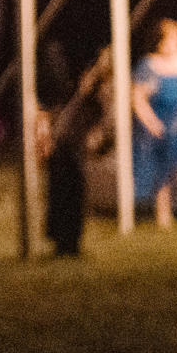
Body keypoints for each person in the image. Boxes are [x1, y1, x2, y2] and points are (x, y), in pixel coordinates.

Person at [37, 42, 106, 257]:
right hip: (64, 143)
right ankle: (62, 241)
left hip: (72, 143)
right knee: (62, 191)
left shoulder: (84, 93)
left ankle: (70, 242)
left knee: (71, 191)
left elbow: (95, 112)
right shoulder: (58, 93)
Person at [132, 19, 177, 229]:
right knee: (161, 171)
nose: (176, 42)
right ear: (160, 42)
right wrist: (151, 122)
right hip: (159, 123)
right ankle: (163, 215)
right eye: (171, 38)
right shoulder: (148, 65)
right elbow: (137, 97)